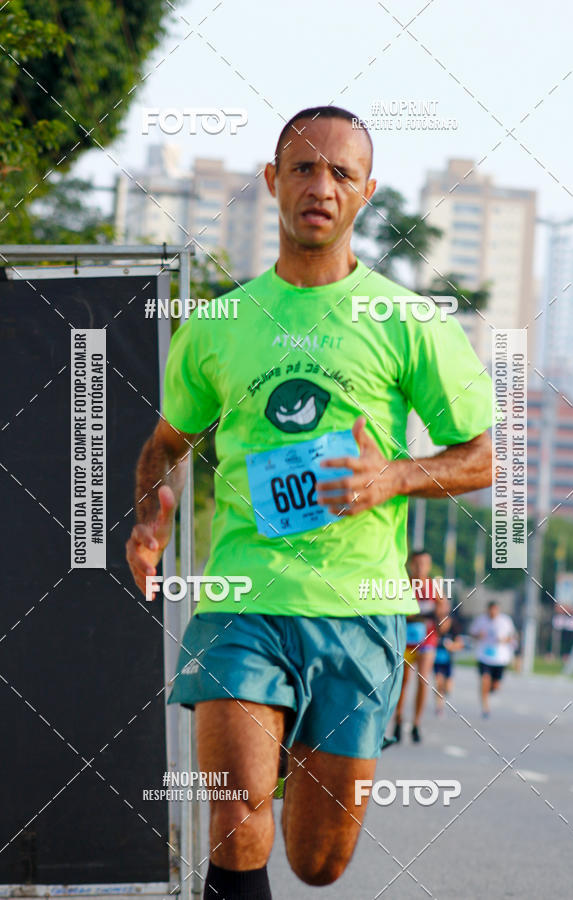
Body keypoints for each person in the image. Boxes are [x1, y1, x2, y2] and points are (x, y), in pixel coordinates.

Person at [126, 105, 494, 899]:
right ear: (273, 182)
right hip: (243, 595)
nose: (319, 186)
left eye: (340, 173)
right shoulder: (222, 322)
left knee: (318, 863)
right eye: (302, 168)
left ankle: (299, 745)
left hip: (357, 609)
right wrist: (152, 511)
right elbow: (169, 440)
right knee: (234, 814)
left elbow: (483, 457)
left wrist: (392, 475)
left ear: (366, 193)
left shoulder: (406, 322)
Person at [388, 550, 448, 743]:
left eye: (425, 563)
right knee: (403, 681)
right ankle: (398, 720)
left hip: (427, 641)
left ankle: (416, 723)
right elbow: (395, 612)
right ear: (411, 565)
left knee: (423, 680)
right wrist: (417, 616)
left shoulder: (435, 588)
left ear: (429, 566)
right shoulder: (404, 585)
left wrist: (440, 621)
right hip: (406, 641)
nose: (421, 567)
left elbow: (444, 619)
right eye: (417, 563)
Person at [470, 600, 518, 717]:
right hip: (484, 656)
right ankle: (485, 708)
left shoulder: (505, 620)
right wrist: (478, 635)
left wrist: (505, 640)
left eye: (495, 610)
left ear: (498, 610)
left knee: (495, 686)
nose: (493, 612)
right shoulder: (480, 620)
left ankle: (491, 688)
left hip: (500, 658)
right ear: (488, 610)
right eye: (491, 610)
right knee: (484, 680)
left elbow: (513, 636)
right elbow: (472, 633)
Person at [433, 611, 464, 715]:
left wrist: (451, 646)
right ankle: (439, 707)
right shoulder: (434, 629)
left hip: (448, 662)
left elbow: (460, 645)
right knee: (438, 683)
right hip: (437, 661)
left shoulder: (454, 629)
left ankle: (445, 692)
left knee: (447, 688)